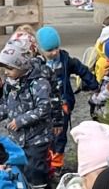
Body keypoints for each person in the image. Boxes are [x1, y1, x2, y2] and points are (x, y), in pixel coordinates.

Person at [0, 34, 59, 189]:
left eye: (10, 68)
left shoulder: (38, 83)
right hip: (17, 137)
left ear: (22, 65)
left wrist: (20, 121)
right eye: (4, 68)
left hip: (37, 136)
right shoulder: (11, 83)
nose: (6, 72)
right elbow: (6, 105)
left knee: (35, 168)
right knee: (20, 166)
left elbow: (44, 108)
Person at [35, 26, 98, 172]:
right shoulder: (36, 64)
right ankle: (45, 160)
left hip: (63, 103)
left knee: (60, 135)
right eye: (50, 50)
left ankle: (56, 164)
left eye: (56, 48)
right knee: (43, 134)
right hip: (43, 105)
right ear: (40, 49)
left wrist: (94, 85)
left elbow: (82, 70)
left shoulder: (65, 60)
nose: (54, 52)